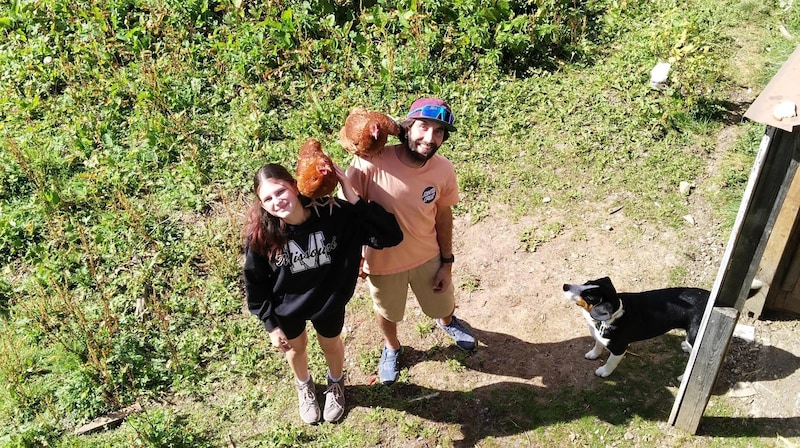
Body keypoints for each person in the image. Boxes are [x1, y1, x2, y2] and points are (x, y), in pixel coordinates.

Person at [243, 162, 402, 424]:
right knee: (296, 348)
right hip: (287, 307)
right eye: (268, 198)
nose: (277, 201)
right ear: (261, 204)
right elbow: (255, 283)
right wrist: (271, 325)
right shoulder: (262, 235)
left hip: (329, 300)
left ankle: (336, 383)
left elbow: (390, 235)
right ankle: (304, 385)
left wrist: (351, 195)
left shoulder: (332, 214)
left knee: (330, 344)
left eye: (281, 191)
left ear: (295, 186)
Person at [345, 97, 477, 386]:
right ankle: (392, 347)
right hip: (382, 263)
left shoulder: (443, 169)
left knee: (443, 303)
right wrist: (354, 255)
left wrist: (447, 262)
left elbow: (443, 217)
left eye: (439, 132)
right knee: (387, 313)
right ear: (406, 127)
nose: (430, 138)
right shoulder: (370, 162)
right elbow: (346, 213)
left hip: (428, 257)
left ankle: (448, 323)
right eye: (423, 127)